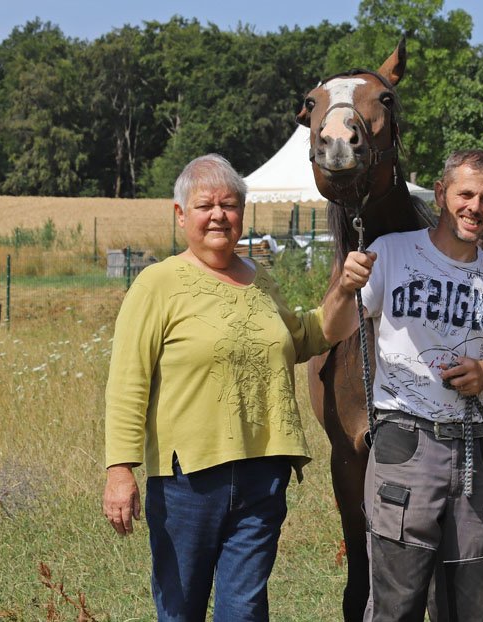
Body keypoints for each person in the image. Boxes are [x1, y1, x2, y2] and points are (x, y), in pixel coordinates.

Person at [102, 154, 341, 621]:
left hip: (263, 473)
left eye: (229, 205)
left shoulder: (259, 279)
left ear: (242, 213)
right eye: (205, 205)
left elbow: (303, 338)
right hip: (186, 481)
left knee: (245, 610)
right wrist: (120, 470)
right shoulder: (157, 284)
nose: (218, 215)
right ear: (180, 214)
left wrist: (348, 291)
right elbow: (128, 381)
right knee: (181, 608)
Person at [329, 149, 483, 621]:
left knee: (473, 605)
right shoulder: (392, 252)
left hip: (474, 453)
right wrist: (343, 288)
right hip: (406, 444)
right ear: (441, 193)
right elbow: (333, 329)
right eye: (465, 194)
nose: (474, 207)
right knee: (397, 602)